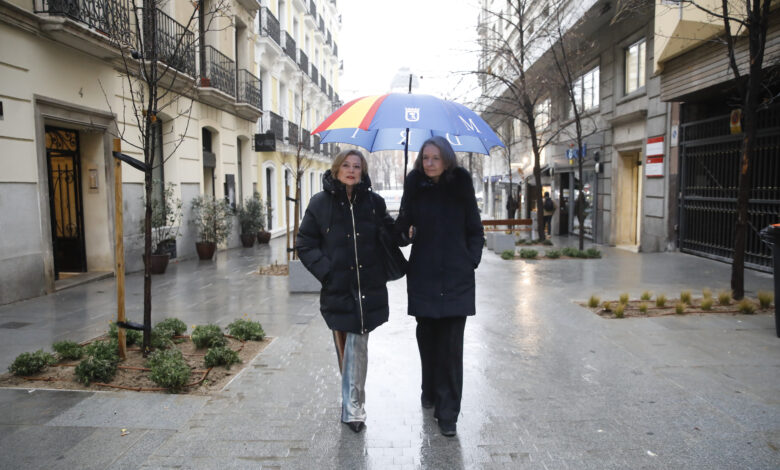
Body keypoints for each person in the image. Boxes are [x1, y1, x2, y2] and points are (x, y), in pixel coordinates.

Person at [296, 149, 393, 433]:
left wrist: (406, 230)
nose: (351, 171)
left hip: (367, 287)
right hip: (339, 287)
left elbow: (390, 234)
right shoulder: (320, 203)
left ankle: (352, 406)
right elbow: (305, 243)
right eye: (347, 166)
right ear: (337, 169)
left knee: (357, 343)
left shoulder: (374, 203)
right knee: (347, 345)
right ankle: (352, 403)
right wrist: (327, 272)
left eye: (357, 167)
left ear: (363, 172)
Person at [395, 136, 484, 437]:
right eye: (425, 158)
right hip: (424, 274)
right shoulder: (414, 185)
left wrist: (471, 259)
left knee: (451, 346)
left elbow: (474, 226)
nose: (429, 163)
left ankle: (448, 413)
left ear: (447, 159)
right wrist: (404, 231)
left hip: (457, 276)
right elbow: (401, 231)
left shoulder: (461, 183)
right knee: (428, 339)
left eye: (435, 158)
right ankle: (429, 388)